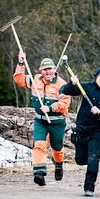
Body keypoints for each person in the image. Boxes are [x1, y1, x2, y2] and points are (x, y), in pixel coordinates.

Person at [13, 54, 71, 186]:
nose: (47, 72)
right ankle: (39, 173)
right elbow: (19, 78)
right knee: (39, 145)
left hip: (57, 122)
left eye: (50, 69)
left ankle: (58, 164)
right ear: (41, 71)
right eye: (45, 70)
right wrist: (21, 63)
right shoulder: (35, 80)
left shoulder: (62, 85)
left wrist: (50, 108)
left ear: (54, 69)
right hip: (40, 121)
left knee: (57, 148)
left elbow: (65, 104)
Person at [61, 67, 100, 196]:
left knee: (94, 157)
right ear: (96, 77)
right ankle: (90, 159)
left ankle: (89, 187)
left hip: (98, 128)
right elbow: (65, 90)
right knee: (81, 160)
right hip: (82, 127)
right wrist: (73, 83)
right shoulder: (86, 87)